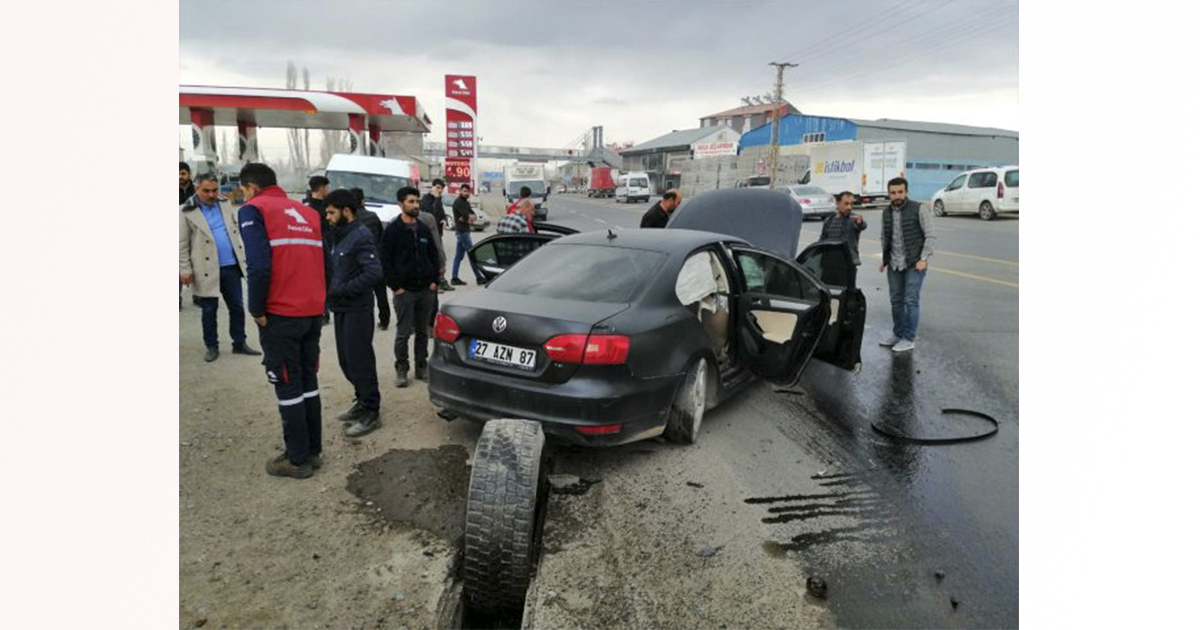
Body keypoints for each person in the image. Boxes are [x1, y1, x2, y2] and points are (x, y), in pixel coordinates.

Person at [237, 163, 327, 479]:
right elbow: (324, 261)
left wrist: (256, 308)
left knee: (287, 382)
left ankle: (297, 459)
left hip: (280, 313)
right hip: (312, 311)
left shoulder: (253, 210)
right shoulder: (308, 213)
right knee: (308, 380)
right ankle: (313, 450)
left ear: (249, 187)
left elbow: (259, 267)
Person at [179, 172, 260, 362]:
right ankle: (212, 346)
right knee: (209, 310)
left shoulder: (225, 203)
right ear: (197, 188)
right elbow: (181, 244)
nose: (211, 194)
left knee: (238, 307)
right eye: (206, 190)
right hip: (205, 268)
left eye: (214, 190)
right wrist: (185, 269)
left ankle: (239, 343)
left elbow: (232, 230)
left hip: (231, 265)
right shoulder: (185, 211)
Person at [323, 189, 384, 438]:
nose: (327, 216)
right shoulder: (340, 234)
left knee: (360, 360)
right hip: (342, 308)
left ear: (346, 211)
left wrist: (344, 289)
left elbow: (374, 272)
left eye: (331, 212)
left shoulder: (360, 235)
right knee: (346, 360)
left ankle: (372, 411)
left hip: (357, 308)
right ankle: (361, 400)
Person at [381, 186, 440, 388]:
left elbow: (433, 256)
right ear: (401, 204)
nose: (416, 205)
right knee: (404, 332)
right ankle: (402, 368)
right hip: (404, 292)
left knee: (423, 331)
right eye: (411, 202)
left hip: (425, 290)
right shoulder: (392, 230)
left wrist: (434, 282)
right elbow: (385, 262)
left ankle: (421, 366)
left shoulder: (423, 229)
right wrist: (396, 287)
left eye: (417, 201)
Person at [878, 177, 935, 354]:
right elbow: (884, 237)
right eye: (893, 192)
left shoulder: (919, 209)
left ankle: (909, 338)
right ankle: (898, 333)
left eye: (900, 192)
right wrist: (885, 259)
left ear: (906, 192)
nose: (897, 195)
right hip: (894, 263)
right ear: (889, 194)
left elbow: (930, 236)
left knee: (911, 301)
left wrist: (923, 258)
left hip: (914, 263)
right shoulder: (886, 213)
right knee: (896, 301)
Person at [350, 188, 392, 331]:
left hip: (357, 264)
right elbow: (381, 238)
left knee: (361, 294)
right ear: (363, 201)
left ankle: (362, 322)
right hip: (375, 260)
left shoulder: (349, 219)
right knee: (381, 293)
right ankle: (384, 320)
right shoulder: (373, 216)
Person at [304, 176, 334, 326]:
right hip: (315, 248)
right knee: (319, 280)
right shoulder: (307, 207)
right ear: (321, 188)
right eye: (327, 187)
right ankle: (323, 310)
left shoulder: (330, 205)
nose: (328, 190)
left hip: (331, 246)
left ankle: (327, 307)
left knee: (329, 278)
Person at [450, 184, 486, 285]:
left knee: (458, 256)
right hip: (462, 232)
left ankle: (454, 278)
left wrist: (469, 218)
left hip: (463, 231)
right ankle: (479, 277)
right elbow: (466, 217)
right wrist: (468, 218)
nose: (466, 193)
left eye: (468, 191)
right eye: (464, 191)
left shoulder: (465, 202)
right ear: (460, 191)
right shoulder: (458, 202)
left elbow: (473, 215)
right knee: (472, 254)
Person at [820, 191, 868, 265]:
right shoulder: (829, 220)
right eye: (846, 204)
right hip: (829, 263)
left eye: (851, 204)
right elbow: (822, 241)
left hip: (848, 263)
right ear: (838, 203)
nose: (849, 207)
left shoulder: (853, 219)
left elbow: (862, 226)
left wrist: (860, 223)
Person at [420, 179, 452, 291]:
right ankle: (435, 282)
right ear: (432, 187)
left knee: (440, 257)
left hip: (438, 233)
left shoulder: (439, 200)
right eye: (437, 187)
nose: (439, 190)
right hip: (428, 234)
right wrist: (437, 199)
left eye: (441, 188)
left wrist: (444, 219)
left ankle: (441, 280)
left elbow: (440, 213)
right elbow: (430, 212)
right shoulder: (426, 199)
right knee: (433, 258)